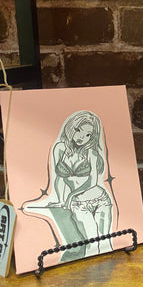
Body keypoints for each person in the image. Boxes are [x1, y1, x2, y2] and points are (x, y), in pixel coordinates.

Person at [44, 110, 113, 260]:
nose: (82, 137)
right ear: (71, 128)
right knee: (91, 244)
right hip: (79, 205)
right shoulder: (59, 148)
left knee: (106, 243)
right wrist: (61, 199)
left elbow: (92, 181)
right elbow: (59, 178)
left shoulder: (91, 153)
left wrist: (70, 195)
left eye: (88, 135)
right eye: (79, 130)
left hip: (101, 200)